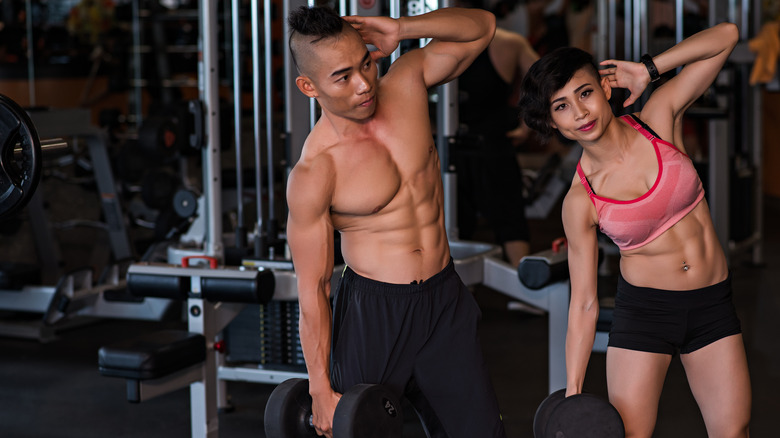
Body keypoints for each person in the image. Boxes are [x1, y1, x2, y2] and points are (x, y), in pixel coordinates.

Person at [519, 22, 751, 437]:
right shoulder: (580, 200)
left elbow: (727, 36)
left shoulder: (658, 118)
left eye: (585, 93)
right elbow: (585, 303)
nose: (580, 113)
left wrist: (649, 69)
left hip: (713, 304)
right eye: (561, 106)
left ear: (606, 87)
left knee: (734, 431)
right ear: (552, 122)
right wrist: (572, 393)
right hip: (644, 315)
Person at [285, 6, 506, 438]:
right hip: (375, 314)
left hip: (444, 299)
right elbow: (314, 289)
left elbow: (483, 27)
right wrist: (319, 390)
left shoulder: (406, 82)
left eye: (365, 61)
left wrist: (403, 29)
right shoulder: (316, 172)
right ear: (308, 87)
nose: (364, 84)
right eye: (343, 76)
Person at [455, 2, 539, 267]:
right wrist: (526, 124)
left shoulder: (433, 45)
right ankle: (525, 293)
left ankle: (464, 290)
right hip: (491, 145)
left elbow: (547, 81)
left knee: (457, 224)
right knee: (509, 220)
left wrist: (528, 123)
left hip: (452, 148)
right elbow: (546, 80)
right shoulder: (509, 42)